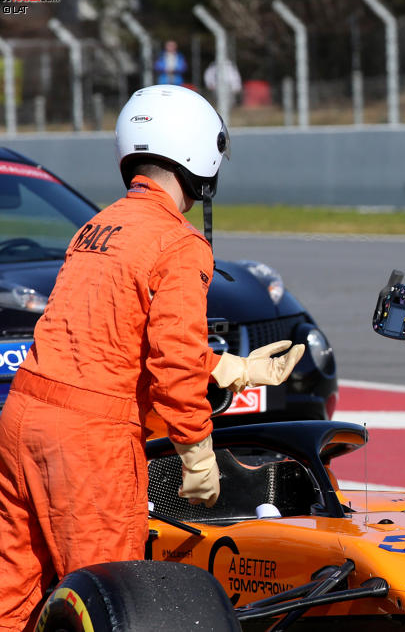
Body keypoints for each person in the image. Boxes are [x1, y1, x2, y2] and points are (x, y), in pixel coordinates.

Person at [0, 84, 304, 630]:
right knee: (112, 598)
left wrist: (228, 368)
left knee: (13, 593)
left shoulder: (98, 226)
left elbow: (109, 335)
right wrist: (197, 455)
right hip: (89, 442)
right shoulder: (177, 241)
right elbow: (173, 361)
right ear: (198, 155)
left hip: (23, 418)